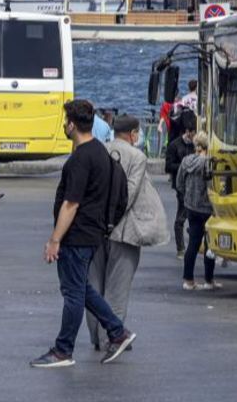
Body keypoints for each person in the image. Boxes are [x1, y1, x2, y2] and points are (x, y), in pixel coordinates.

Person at [31, 99, 136, 368]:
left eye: (65, 121)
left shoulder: (80, 158)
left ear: (71, 124)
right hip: (93, 233)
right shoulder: (100, 152)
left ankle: (63, 350)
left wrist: (55, 240)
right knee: (84, 290)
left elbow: (71, 203)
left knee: (73, 293)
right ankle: (117, 331)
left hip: (76, 235)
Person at [87, 115, 169, 351]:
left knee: (94, 285)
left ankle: (95, 336)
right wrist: (113, 221)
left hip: (95, 229)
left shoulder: (100, 150)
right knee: (117, 289)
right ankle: (112, 337)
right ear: (134, 134)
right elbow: (129, 194)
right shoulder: (137, 156)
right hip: (124, 231)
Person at [177, 132, 220, 291]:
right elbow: (212, 185)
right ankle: (209, 280)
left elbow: (179, 183)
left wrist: (187, 196)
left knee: (193, 244)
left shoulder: (186, 161)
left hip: (191, 206)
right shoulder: (208, 163)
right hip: (207, 208)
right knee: (210, 245)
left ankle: (188, 280)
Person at [164, 113, 196, 258]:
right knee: (181, 216)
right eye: (192, 134)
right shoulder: (174, 146)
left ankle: (194, 245)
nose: (193, 137)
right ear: (187, 132)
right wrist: (184, 166)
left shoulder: (197, 145)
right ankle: (180, 248)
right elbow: (168, 166)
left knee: (196, 216)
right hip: (181, 185)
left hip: (195, 184)